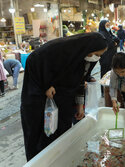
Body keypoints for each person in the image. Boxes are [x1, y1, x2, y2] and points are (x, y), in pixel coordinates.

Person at [20, 32, 107, 161]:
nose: (97, 58)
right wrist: (46, 84)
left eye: (99, 56)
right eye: (96, 54)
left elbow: (80, 82)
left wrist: (79, 105)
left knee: (61, 136)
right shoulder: (58, 50)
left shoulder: (83, 59)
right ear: (87, 47)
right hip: (39, 102)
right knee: (39, 139)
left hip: (63, 102)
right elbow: (35, 60)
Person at [98, 20, 119, 96]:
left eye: (109, 25)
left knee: (111, 74)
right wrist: (113, 43)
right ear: (102, 26)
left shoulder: (109, 33)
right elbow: (107, 45)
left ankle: (110, 89)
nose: (108, 27)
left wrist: (114, 42)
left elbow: (117, 40)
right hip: (105, 58)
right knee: (104, 74)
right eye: (106, 25)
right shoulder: (101, 35)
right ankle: (104, 91)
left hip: (112, 58)